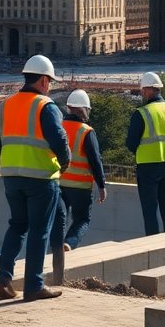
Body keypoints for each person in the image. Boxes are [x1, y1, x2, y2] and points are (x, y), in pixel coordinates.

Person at [0, 55, 71, 301]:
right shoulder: (45, 105)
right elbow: (58, 138)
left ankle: (3, 277)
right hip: (41, 178)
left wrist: (13, 156)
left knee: (17, 225)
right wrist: (65, 161)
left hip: (12, 176)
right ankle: (34, 285)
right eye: (50, 82)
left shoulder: (6, 104)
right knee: (39, 231)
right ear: (44, 80)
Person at [126, 71, 165, 235]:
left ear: (146, 90)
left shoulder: (142, 113)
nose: (142, 94)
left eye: (142, 91)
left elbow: (131, 143)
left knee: (150, 209)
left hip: (147, 167)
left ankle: (153, 244)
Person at [52, 89, 107, 253]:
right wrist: (102, 185)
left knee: (60, 218)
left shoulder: (59, 126)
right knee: (82, 220)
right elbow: (95, 160)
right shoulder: (86, 131)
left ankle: (57, 247)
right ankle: (69, 243)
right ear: (85, 110)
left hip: (59, 182)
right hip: (81, 186)